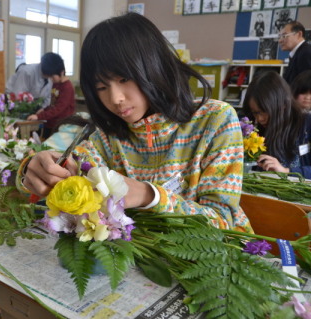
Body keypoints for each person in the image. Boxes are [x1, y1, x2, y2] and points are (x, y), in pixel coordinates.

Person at [20, 12, 252, 233]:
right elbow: (70, 166)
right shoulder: (107, 137)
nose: (115, 99)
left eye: (124, 79)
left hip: (219, 262)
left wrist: (150, 196)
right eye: (101, 87)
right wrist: (34, 168)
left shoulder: (215, 120)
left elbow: (223, 223)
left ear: (154, 66)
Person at [243, 71, 311, 178]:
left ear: (283, 104)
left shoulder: (306, 124)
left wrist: (286, 171)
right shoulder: (251, 130)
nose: (260, 119)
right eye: (256, 112)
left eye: (265, 111)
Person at [26, 53, 76, 138]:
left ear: (61, 72)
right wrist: (44, 110)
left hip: (61, 127)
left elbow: (58, 109)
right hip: (51, 123)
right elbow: (53, 104)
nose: (51, 79)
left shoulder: (67, 87)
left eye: (52, 77)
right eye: (49, 77)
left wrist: (38, 116)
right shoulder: (55, 84)